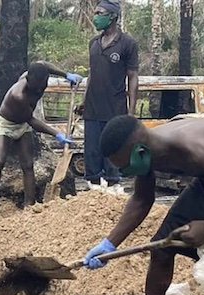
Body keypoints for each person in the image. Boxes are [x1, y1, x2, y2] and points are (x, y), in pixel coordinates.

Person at [83, 114, 204, 295]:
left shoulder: (194, 150)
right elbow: (142, 199)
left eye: (127, 168)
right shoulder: (145, 153)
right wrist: (109, 244)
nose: (126, 174)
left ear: (140, 153)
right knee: (161, 248)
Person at [0, 61, 83, 212]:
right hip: (5, 123)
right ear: (28, 79)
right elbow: (31, 121)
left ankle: (29, 206)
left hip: (22, 124)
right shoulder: (18, 95)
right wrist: (57, 134)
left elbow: (44, 64)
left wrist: (66, 75)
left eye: (43, 84)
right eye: (36, 86)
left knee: (28, 165)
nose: (39, 89)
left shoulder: (39, 77)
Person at [80, 0, 139, 187]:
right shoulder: (94, 43)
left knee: (113, 151)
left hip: (115, 108)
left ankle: (113, 188)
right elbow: (91, 74)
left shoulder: (127, 43)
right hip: (92, 108)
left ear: (112, 17)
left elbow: (133, 77)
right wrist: (83, 100)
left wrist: (131, 111)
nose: (95, 17)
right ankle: (93, 188)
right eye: (95, 13)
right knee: (91, 151)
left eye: (99, 13)